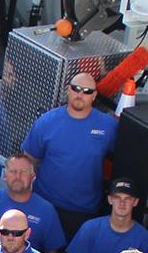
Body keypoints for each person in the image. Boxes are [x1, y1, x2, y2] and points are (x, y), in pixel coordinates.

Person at [22, 72, 118, 238]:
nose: (80, 94)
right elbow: (28, 160)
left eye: (87, 91)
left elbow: (122, 158)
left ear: (94, 96)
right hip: (46, 205)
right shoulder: (46, 122)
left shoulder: (109, 126)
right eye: (76, 89)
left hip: (84, 212)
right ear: (68, 90)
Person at [0, 153, 68, 253]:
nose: (18, 176)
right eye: (13, 171)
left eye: (24, 172)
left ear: (33, 176)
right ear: (5, 175)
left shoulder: (47, 211)